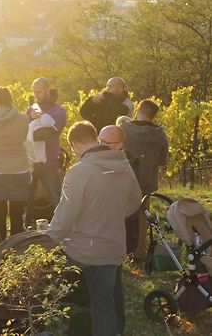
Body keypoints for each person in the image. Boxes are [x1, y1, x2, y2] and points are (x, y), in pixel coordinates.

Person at [46, 121, 141, 336]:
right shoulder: (124, 166)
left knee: (53, 292)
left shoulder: (79, 171)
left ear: (75, 145)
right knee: (104, 304)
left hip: (80, 251)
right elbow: (134, 201)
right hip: (112, 249)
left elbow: (65, 215)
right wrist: (111, 215)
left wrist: (48, 241)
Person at [98, 124, 141, 336]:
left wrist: (113, 215)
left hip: (115, 235)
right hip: (104, 234)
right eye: (100, 142)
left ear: (120, 145)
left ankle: (116, 327)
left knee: (112, 283)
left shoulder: (124, 166)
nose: (101, 146)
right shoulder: (103, 161)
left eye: (107, 143)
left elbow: (133, 201)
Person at [118, 99, 169, 260]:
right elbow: (162, 161)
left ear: (138, 109)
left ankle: (121, 250)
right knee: (142, 217)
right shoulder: (160, 134)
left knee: (122, 214)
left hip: (125, 179)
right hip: (148, 180)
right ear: (154, 115)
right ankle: (139, 251)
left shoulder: (124, 129)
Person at [0, 87, 30, 240]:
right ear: (11, 99)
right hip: (19, 168)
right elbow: (23, 137)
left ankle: (1, 247)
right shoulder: (23, 118)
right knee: (17, 213)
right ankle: (16, 246)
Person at [25, 77, 66, 227]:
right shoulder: (31, 109)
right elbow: (23, 131)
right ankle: (26, 227)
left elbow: (51, 133)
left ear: (47, 90)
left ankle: (60, 226)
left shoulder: (58, 111)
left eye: (39, 92)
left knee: (55, 196)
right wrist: (30, 120)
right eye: (34, 92)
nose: (36, 95)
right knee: (27, 196)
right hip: (31, 159)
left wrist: (32, 131)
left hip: (49, 159)